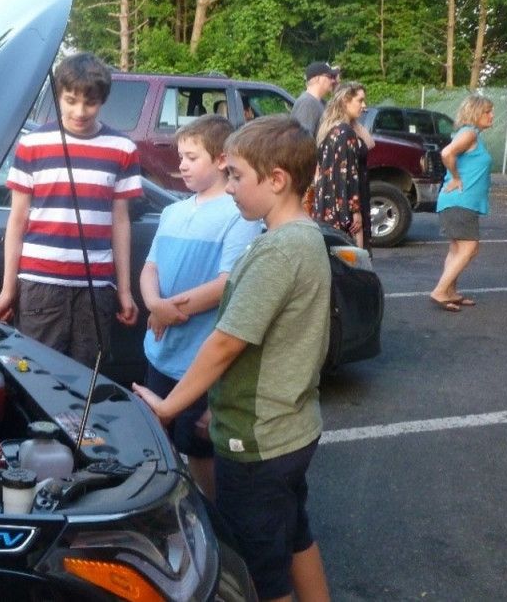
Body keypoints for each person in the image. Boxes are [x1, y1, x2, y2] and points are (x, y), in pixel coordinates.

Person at [132, 115, 332, 602]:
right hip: (290, 430)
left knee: (261, 567)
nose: (232, 186)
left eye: (238, 176)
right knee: (294, 534)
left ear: (277, 180)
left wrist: (168, 406)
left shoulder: (277, 252)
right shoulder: (304, 238)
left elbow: (225, 343)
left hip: (258, 443)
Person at [0, 52, 141, 367]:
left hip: (96, 286)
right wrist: (8, 288)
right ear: (58, 95)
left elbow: (120, 222)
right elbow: (17, 220)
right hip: (39, 285)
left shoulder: (123, 149)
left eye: (90, 102)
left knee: (88, 377)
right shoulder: (32, 145)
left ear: (103, 100)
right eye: (70, 100)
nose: (80, 111)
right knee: (36, 374)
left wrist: (124, 290)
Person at [140, 115, 262, 503]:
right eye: (181, 156)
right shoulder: (174, 211)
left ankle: (210, 516)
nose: (182, 165)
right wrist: (154, 305)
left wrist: (169, 310)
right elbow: (150, 267)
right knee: (160, 436)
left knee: (199, 445)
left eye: (192, 157)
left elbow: (227, 282)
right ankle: (171, 506)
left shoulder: (237, 214)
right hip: (161, 352)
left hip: (199, 357)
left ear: (222, 159)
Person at [429, 95, 494, 312]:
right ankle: (440, 290)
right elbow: (447, 153)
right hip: (460, 201)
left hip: (459, 202)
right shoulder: (469, 133)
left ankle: (450, 292)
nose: (491, 115)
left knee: (457, 248)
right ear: (475, 112)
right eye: (487, 111)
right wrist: (456, 177)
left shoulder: (470, 134)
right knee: (470, 247)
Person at [311, 82, 372, 249]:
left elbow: (370, 143)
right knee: (356, 265)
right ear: (346, 100)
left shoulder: (331, 130)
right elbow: (347, 174)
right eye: (360, 100)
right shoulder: (345, 133)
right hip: (344, 209)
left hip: (328, 206)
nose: (364, 106)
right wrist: (355, 212)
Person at [290, 61, 340, 137]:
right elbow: (302, 141)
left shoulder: (320, 102)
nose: (333, 81)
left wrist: (337, 87)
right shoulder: (307, 103)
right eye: (330, 76)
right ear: (317, 78)